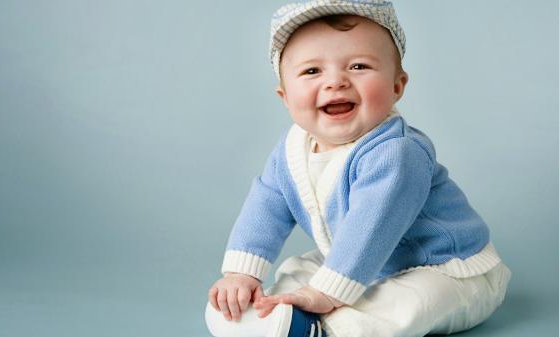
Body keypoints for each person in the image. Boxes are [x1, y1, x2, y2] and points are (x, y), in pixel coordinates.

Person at [205, 1, 511, 336]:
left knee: (414, 300)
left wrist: (325, 292)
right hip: (362, 261)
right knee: (298, 268)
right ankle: (274, 311)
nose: (335, 81)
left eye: (359, 66)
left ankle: (330, 329)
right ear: (285, 97)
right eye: (311, 71)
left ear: (397, 86)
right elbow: (266, 205)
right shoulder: (292, 148)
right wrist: (242, 274)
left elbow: (371, 226)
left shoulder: (396, 152)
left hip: (449, 269)